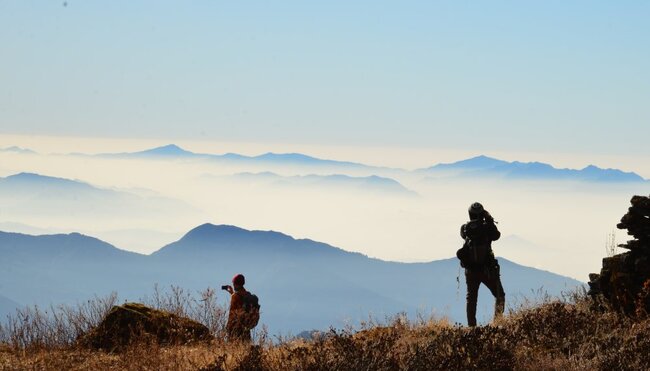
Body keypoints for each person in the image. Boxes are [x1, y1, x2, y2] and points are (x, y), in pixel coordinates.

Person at [458, 202, 505, 327]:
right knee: (500, 295)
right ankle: (497, 324)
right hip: (487, 270)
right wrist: (489, 219)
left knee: (471, 299)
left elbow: (463, 235)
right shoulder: (486, 227)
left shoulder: (465, 228)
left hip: (471, 271)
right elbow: (496, 235)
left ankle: (472, 329)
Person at [224, 273, 253, 342]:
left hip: (236, 327)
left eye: (233, 283)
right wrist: (232, 293)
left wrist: (228, 327)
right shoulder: (248, 294)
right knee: (245, 347)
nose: (233, 284)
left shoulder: (235, 296)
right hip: (246, 327)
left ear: (235, 283)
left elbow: (232, 313)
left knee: (233, 348)